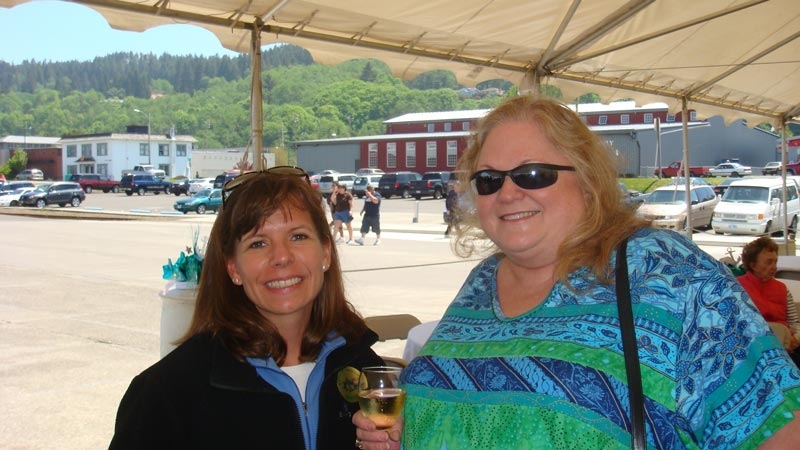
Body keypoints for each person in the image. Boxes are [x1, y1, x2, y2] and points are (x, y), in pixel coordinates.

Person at [354, 96, 800, 449]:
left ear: (586, 179)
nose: (507, 193)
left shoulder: (667, 274)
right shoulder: (482, 282)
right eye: (489, 179)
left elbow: (780, 430)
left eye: (532, 173)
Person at [110, 167, 384, 450]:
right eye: (258, 243)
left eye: (298, 236)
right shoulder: (167, 393)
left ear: (325, 252)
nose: (281, 257)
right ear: (233, 268)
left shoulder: (366, 368)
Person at [738, 236, 800, 366]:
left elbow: (794, 323)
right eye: (769, 262)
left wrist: (796, 338)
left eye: (775, 262)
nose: (774, 267)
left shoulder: (782, 289)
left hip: (784, 346)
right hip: (753, 350)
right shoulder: (738, 288)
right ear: (753, 265)